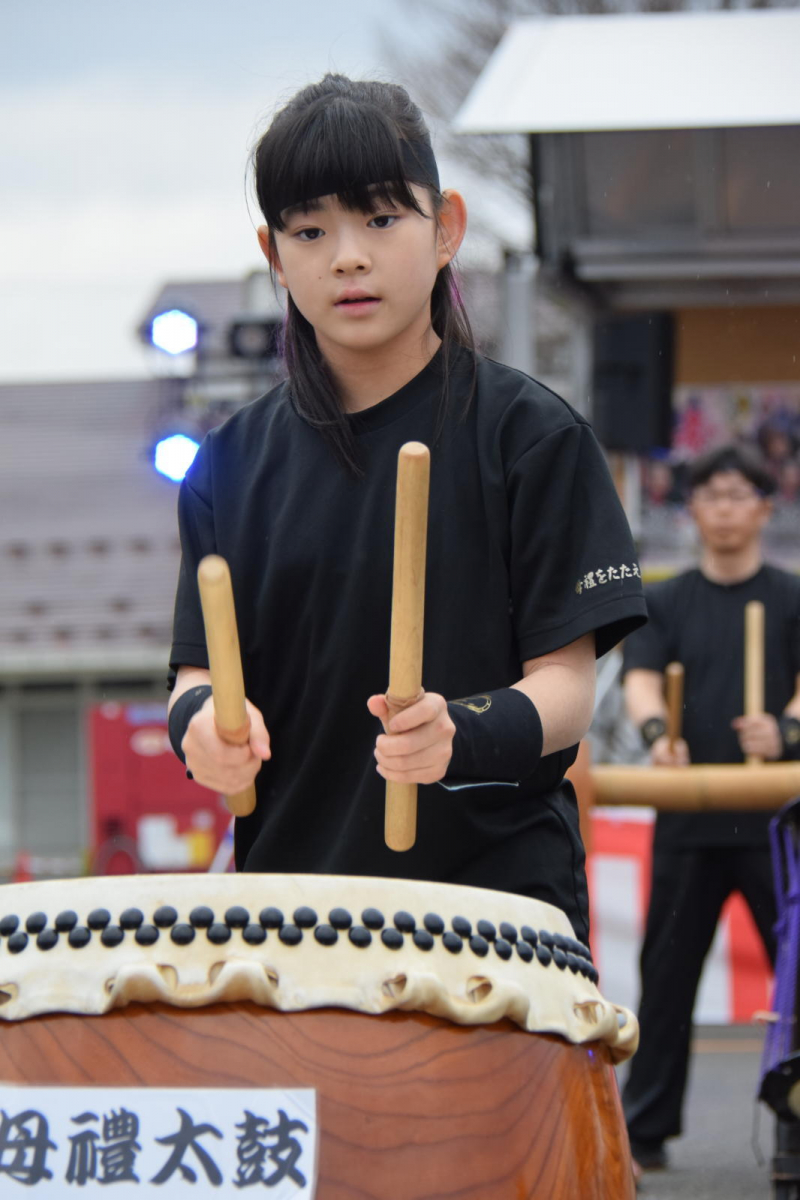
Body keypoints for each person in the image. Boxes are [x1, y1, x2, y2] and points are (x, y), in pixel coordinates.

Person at [166, 74, 646, 943]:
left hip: (497, 916)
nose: (347, 256)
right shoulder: (227, 464)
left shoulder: (530, 435)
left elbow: (569, 685)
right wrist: (201, 727)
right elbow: (199, 674)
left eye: (381, 220)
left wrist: (462, 731)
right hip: (292, 917)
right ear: (275, 256)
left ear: (446, 229)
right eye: (310, 231)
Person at [621, 443, 800, 1170]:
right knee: (665, 977)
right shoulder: (664, 599)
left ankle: (794, 1116)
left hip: (777, 823)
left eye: (739, 494)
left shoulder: (790, 596)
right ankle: (644, 1130)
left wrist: (786, 729)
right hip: (689, 815)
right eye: (711, 495)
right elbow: (639, 681)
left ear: (765, 507)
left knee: (795, 975)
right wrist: (660, 737)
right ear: (691, 510)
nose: (724, 507)